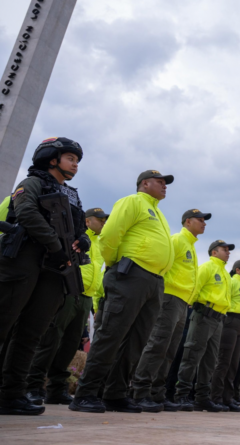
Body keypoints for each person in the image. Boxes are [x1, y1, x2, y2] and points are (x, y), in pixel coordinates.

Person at [71, 170, 175, 414]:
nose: (164, 186)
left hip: (154, 281)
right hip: (130, 275)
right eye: (160, 182)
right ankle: (86, 393)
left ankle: (115, 394)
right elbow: (109, 237)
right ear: (144, 184)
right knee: (112, 334)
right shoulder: (132, 201)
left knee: (137, 340)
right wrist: (119, 266)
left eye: (165, 183)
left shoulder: (158, 212)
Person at [0, 138, 89, 415]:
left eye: (77, 160)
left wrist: (82, 241)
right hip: (24, 259)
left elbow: (78, 228)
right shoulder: (33, 183)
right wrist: (55, 245)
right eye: (70, 158)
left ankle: (12, 394)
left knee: (32, 333)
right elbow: (26, 212)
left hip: (54, 270)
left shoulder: (72, 194)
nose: (75, 163)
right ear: (52, 159)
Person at [25, 207, 107, 407]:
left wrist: (94, 304)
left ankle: (56, 389)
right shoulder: (77, 238)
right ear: (87, 221)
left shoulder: (100, 243)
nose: (104, 223)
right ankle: (33, 387)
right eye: (100, 219)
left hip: (86, 298)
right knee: (51, 339)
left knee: (70, 344)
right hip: (70, 292)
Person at [130, 209, 210, 412]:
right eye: (200, 220)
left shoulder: (190, 246)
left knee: (169, 351)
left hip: (183, 303)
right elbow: (163, 265)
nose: (203, 223)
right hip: (169, 299)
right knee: (157, 345)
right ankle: (140, 392)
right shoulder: (176, 240)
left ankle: (157, 394)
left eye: (204, 220)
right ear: (187, 222)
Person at [174, 239, 234, 412]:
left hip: (218, 320)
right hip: (204, 316)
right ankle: (182, 395)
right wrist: (194, 309)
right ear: (214, 252)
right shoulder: (207, 267)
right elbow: (195, 288)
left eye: (228, 250)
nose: (228, 252)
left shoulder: (225, 274)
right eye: (224, 249)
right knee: (192, 355)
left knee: (210, 360)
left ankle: (202, 398)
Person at [210, 259, 240, 412]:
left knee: (234, 364)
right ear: (237, 270)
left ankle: (227, 398)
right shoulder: (233, 282)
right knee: (224, 362)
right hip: (230, 322)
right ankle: (216, 397)